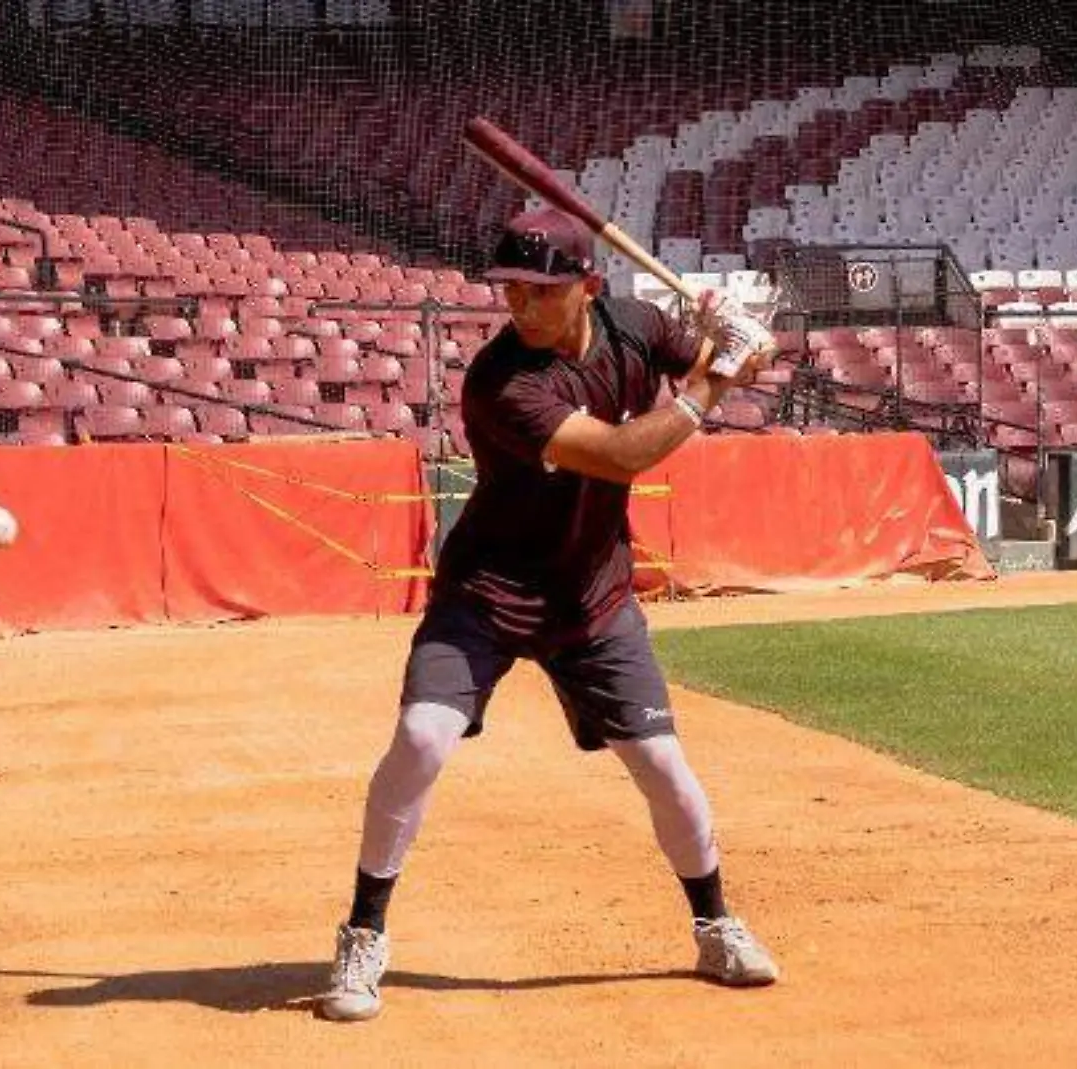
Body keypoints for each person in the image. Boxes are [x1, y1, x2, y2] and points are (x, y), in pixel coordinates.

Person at [319, 207, 779, 1023]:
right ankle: (362, 931)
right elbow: (621, 453)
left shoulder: (635, 325)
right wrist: (717, 376)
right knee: (422, 737)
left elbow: (755, 360)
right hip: (487, 594)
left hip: (590, 595)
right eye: (510, 290)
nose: (519, 306)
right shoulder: (501, 382)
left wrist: (734, 332)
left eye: (538, 290)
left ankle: (715, 921)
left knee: (664, 766)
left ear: (587, 289)